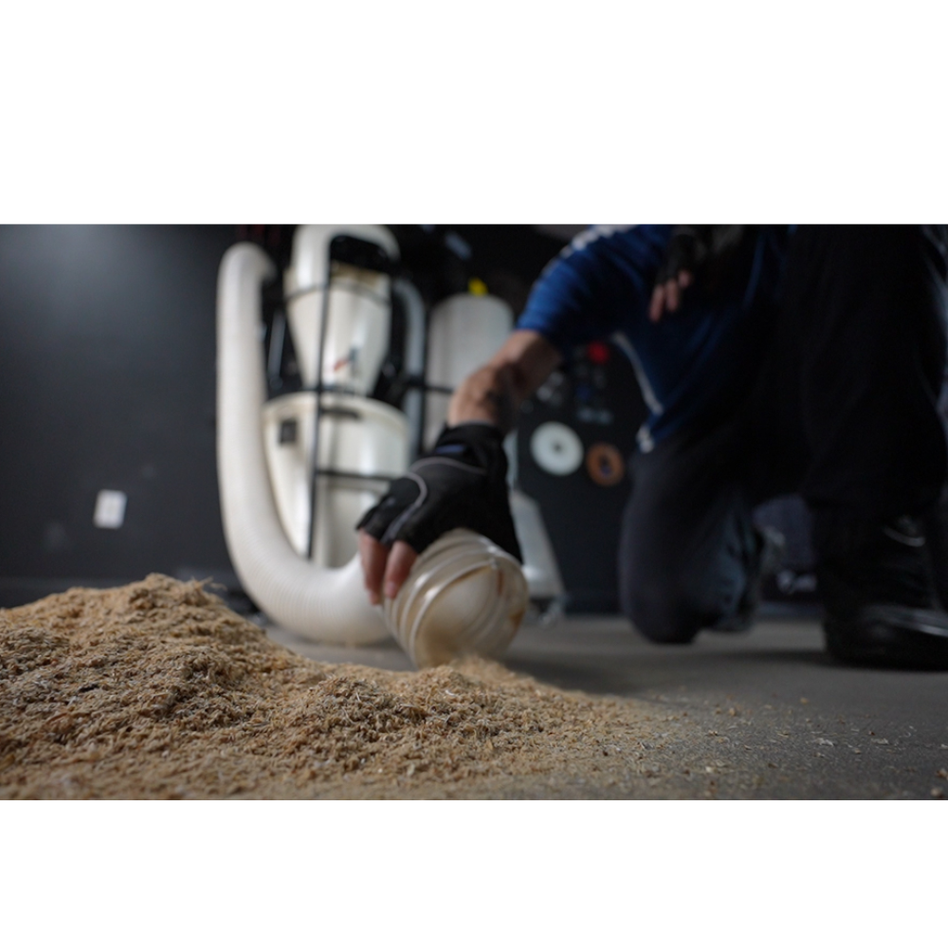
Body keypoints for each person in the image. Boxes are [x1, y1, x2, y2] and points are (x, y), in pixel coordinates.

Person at [357, 225, 948, 670]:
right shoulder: (613, 256)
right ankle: (746, 556)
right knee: (664, 603)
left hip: (838, 401)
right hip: (702, 433)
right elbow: (506, 371)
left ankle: (875, 555)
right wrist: (463, 446)